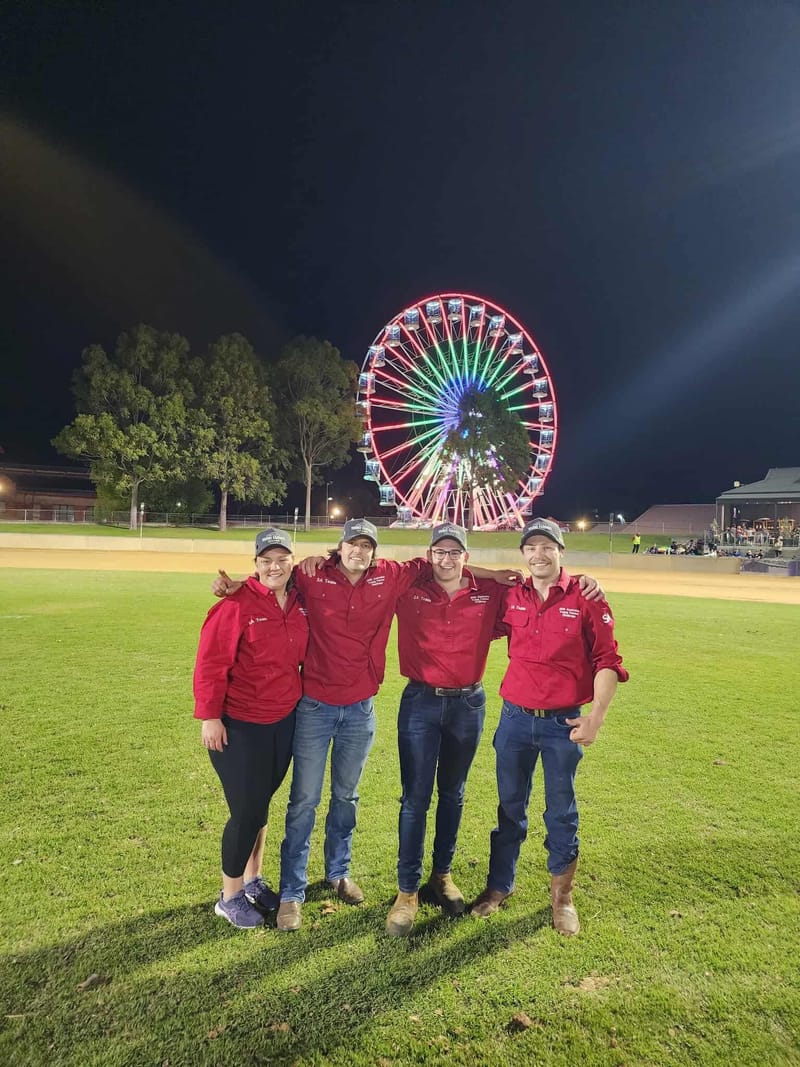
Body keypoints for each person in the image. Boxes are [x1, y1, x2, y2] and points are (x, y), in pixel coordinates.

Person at [213, 518, 522, 932]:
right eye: (352, 544)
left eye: (366, 545)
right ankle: (292, 892)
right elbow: (272, 578)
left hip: (361, 707)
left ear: (374, 552)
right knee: (304, 801)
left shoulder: (391, 576)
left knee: (347, 797)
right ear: (339, 547)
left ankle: (338, 872)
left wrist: (494, 574)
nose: (358, 551)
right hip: (314, 706)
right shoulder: (312, 574)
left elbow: (442, 564)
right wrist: (237, 584)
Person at [470, 517, 628, 936]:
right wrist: (491, 574)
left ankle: (562, 897)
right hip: (514, 720)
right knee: (509, 807)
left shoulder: (587, 598)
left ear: (561, 551)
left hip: (562, 723)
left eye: (547, 547)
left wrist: (596, 717)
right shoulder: (511, 596)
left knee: (561, 811)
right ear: (523, 553)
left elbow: (608, 660)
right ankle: (499, 885)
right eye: (531, 547)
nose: (538, 555)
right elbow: (451, 572)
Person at [385, 522, 507, 936]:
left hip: (468, 704)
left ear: (465, 557)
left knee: (453, 793)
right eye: (440, 551)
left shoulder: (489, 592)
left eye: (455, 552)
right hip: (420, 701)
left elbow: (534, 594)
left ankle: (442, 874)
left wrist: (586, 583)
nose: (447, 559)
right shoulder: (409, 588)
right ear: (429, 555)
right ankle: (407, 891)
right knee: (415, 798)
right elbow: (368, 575)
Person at [193, 529, 308, 928]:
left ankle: (252, 880)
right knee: (245, 812)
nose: (274, 567)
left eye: (281, 559)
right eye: (266, 560)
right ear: (256, 564)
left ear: (292, 561)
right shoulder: (235, 605)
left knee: (261, 805)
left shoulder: (299, 602)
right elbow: (211, 662)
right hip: (240, 725)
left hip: (283, 720)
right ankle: (229, 897)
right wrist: (210, 716)